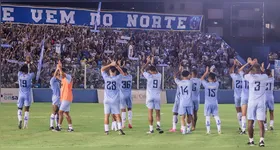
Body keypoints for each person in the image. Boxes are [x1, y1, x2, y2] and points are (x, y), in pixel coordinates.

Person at [244, 63, 268, 147]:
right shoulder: (264, 77)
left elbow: (245, 74)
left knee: (250, 121)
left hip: (252, 102)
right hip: (261, 102)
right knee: (260, 121)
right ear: (260, 70)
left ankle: (251, 141)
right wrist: (262, 69)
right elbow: (265, 73)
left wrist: (250, 66)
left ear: (253, 70)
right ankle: (261, 141)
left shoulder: (250, 77)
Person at [101, 61, 125, 135]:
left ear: (109, 71)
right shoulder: (117, 78)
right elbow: (122, 73)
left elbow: (102, 69)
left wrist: (110, 64)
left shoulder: (106, 78)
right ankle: (120, 129)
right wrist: (117, 66)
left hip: (107, 99)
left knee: (106, 115)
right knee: (117, 115)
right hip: (115, 99)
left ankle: (106, 131)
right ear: (115, 72)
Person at [141, 56, 164, 134]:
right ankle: (158, 125)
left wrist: (147, 62)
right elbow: (155, 70)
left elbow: (142, 70)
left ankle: (151, 129)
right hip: (157, 95)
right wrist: (151, 63)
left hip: (150, 96)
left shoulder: (149, 76)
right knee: (157, 111)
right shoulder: (159, 75)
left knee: (150, 112)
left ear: (151, 71)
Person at [201, 66, 221, 134]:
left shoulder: (206, 84)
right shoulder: (216, 84)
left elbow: (202, 79)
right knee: (216, 116)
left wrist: (206, 72)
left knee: (207, 116)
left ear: (209, 78)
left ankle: (208, 131)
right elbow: (216, 79)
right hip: (214, 102)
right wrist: (212, 72)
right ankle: (219, 130)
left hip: (207, 103)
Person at [55, 61, 74, 132]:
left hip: (67, 97)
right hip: (64, 98)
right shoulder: (62, 79)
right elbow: (55, 76)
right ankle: (70, 127)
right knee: (66, 113)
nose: (60, 74)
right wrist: (57, 68)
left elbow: (62, 73)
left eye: (61, 73)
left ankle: (59, 127)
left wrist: (60, 68)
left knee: (60, 112)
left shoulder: (68, 77)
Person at [174, 69, 193, 134]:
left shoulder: (179, 82)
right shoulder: (190, 82)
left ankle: (184, 130)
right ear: (188, 75)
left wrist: (178, 71)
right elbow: (191, 77)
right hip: (189, 101)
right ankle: (188, 129)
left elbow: (175, 77)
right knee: (189, 115)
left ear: (182, 76)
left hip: (182, 102)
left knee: (182, 116)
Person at [17, 64, 35, 129]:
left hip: (20, 94)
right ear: (27, 70)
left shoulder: (19, 75)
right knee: (27, 109)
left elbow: (20, 70)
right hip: (27, 94)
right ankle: (25, 124)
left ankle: (20, 120)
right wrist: (30, 63)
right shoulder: (29, 76)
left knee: (19, 108)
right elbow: (34, 71)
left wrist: (25, 63)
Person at [238, 58, 251, 134]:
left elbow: (239, 70)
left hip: (244, 96)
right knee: (251, 114)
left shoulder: (243, 76)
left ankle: (243, 129)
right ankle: (251, 129)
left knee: (243, 114)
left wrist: (247, 63)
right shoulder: (252, 76)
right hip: (251, 96)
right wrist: (251, 64)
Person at [229, 59, 242, 131]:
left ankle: (241, 125)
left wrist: (234, 64)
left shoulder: (235, 77)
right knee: (243, 112)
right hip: (243, 96)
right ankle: (243, 125)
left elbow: (230, 71)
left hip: (237, 96)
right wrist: (240, 65)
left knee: (238, 111)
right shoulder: (244, 77)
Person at [169, 66, 183, 132]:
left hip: (178, 100)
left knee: (175, 113)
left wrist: (179, 71)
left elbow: (174, 76)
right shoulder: (188, 83)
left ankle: (174, 128)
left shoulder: (179, 82)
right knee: (182, 114)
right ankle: (182, 128)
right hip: (183, 100)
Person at [262, 64, 274, 131]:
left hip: (264, 97)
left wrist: (263, 68)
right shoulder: (272, 79)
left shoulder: (263, 80)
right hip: (270, 97)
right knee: (271, 112)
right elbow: (271, 75)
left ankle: (265, 126)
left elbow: (263, 75)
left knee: (264, 113)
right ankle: (271, 125)